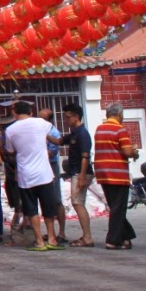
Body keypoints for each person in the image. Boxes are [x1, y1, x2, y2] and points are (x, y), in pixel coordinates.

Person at [3, 102, 62, 252]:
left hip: (26, 175)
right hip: (44, 173)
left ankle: (39, 241)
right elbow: (52, 134)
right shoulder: (41, 123)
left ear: (14, 113)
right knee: (48, 208)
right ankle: (52, 238)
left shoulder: (10, 130)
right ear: (30, 111)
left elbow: (10, 150)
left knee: (32, 209)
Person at [94, 103, 138, 250]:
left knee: (115, 207)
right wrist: (134, 152)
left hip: (103, 172)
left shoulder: (99, 129)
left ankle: (126, 237)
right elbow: (126, 151)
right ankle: (113, 240)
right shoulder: (120, 129)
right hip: (117, 173)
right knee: (118, 208)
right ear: (119, 114)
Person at [61, 103, 95, 247]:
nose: (66, 120)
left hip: (82, 172)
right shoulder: (74, 133)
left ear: (76, 117)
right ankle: (86, 236)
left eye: (68, 117)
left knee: (78, 203)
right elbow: (58, 141)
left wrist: (81, 177)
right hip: (77, 172)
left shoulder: (83, 134)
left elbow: (85, 157)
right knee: (78, 203)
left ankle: (87, 237)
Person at [38, 108, 68, 246]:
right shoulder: (38, 131)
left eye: (42, 119)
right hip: (41, 166)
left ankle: (61, 232)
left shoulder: (53, 133)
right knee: (45, 199)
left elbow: (51, 153)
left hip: (52, 165)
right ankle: (51, 232)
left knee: (56, 199)